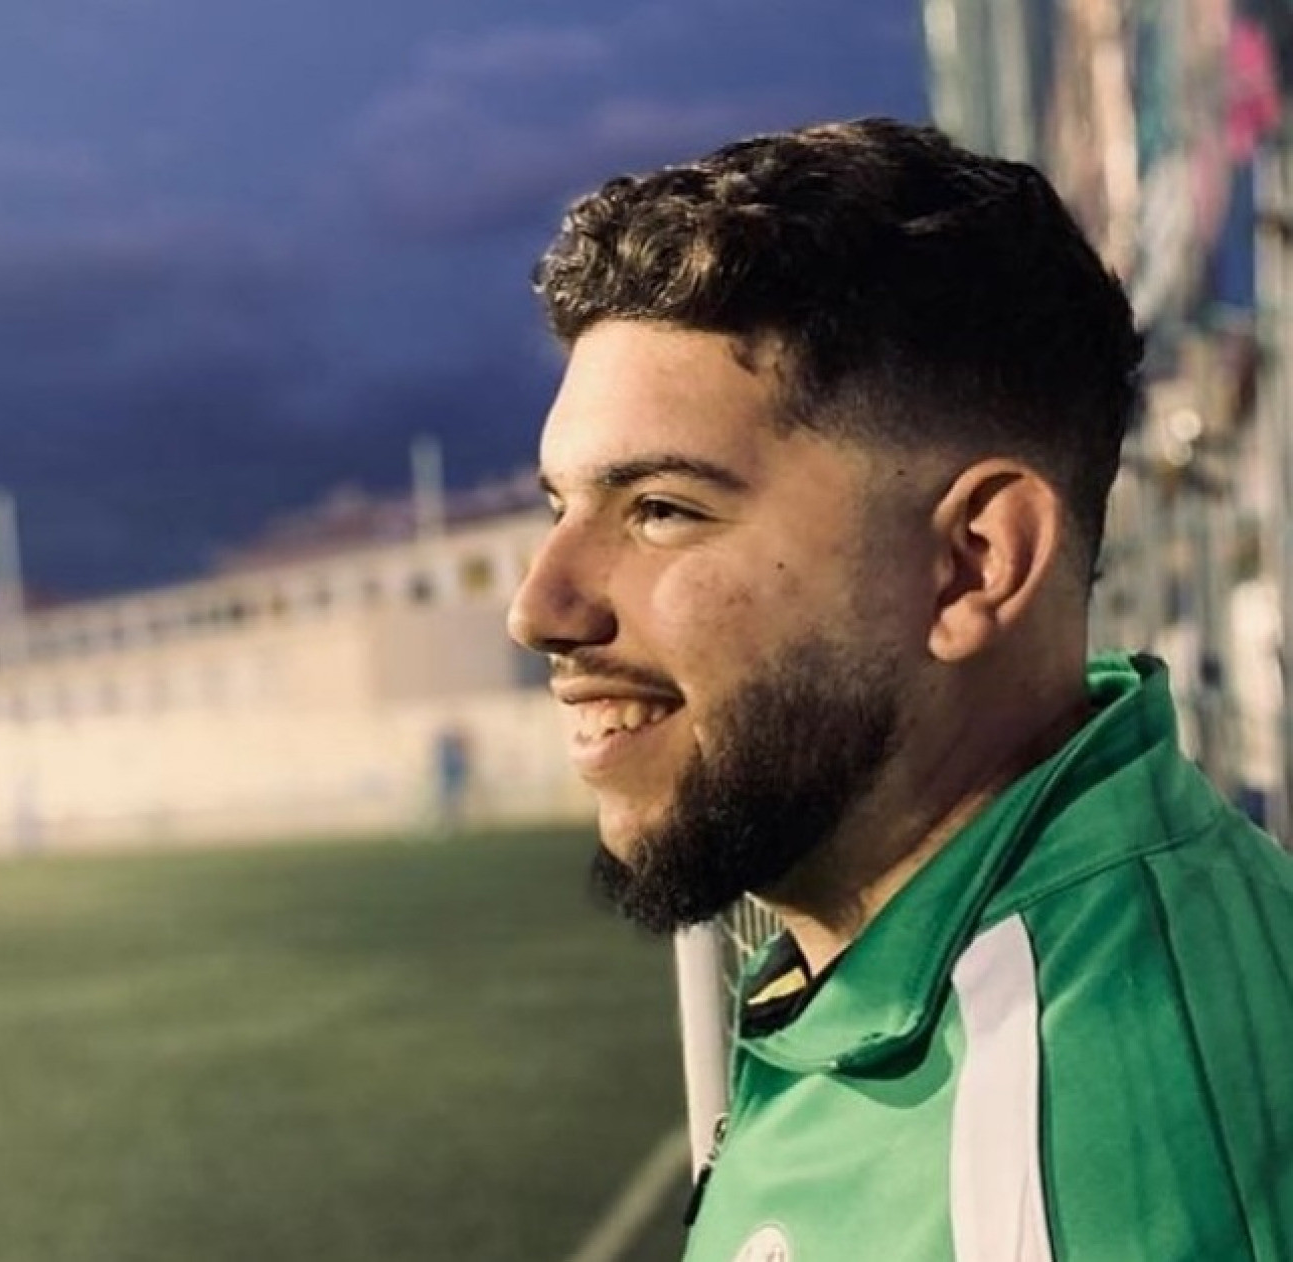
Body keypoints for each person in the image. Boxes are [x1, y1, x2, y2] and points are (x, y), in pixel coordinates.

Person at [506, 117, 1293, 1261]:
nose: (539, 606)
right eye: (557, 506)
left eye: (661, 508)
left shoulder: (1067, 1165)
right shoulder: (955, 926)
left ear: (973, 563)